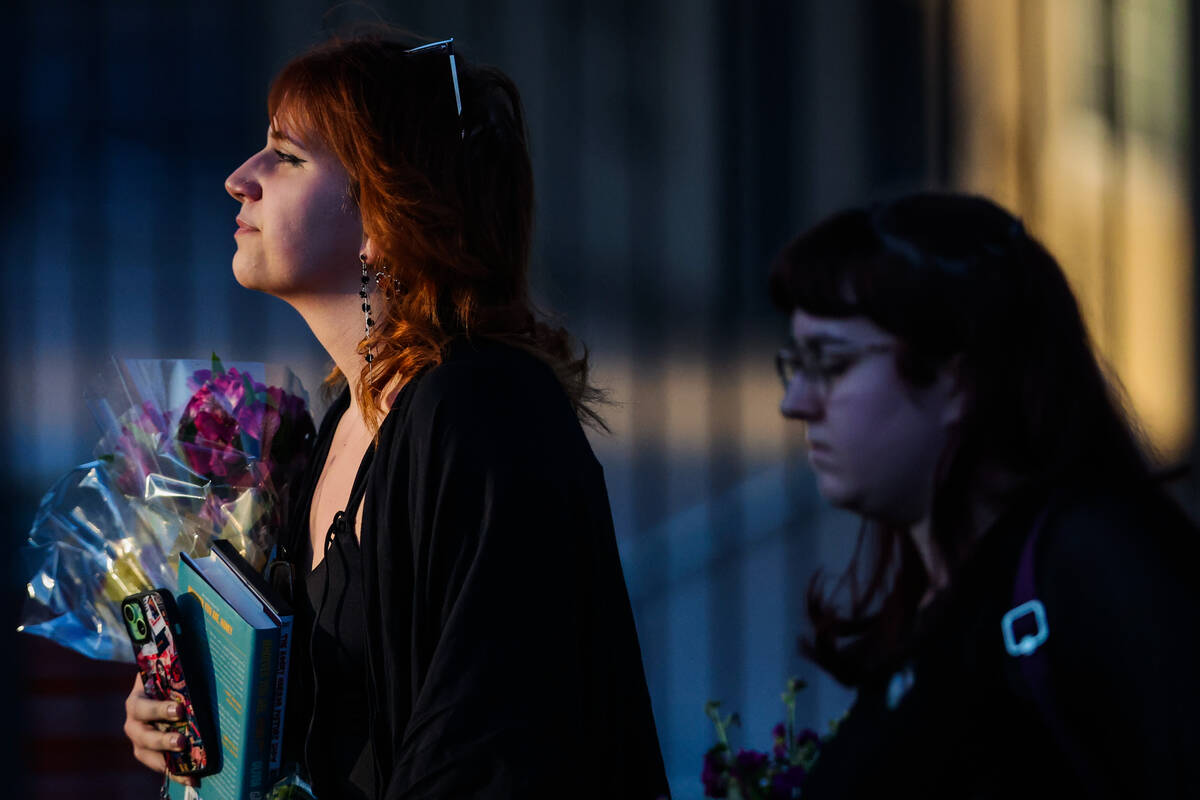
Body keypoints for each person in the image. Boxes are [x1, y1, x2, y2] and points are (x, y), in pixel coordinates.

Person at [122, 31, 669, 800]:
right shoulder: (345, 419)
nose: (239, 178)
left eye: (286, 156)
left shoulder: (484, 414)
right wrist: (197, 713)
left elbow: (497, 745)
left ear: (386, 214)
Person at [769, 192, 1200, 798]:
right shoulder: (941, 588)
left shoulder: (1094, 565)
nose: (796, 403)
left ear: (958, 379)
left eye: (831, 364)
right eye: (797, 364)